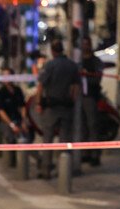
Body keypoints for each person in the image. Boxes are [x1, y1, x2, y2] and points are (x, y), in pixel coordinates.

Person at [35, 40, 79, 178]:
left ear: (52, 51)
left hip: (51, 107)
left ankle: (46, 170)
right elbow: (76, 87)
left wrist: (39, 103)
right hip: (66, 106)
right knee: (65, 140)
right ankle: (64, 171)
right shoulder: (72, 65)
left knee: (47, 139)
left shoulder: (50, 65)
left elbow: (41, 85)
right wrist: (72, 100)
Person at [79, 38, 104, 166]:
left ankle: (95, 155)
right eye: (83, 44)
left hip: (91, 97)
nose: (85, 47)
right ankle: (85, 153)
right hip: (79, 97)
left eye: (86, 44)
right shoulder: (79, 61)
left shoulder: (95, 61)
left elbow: (98, 78)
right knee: (82, 127)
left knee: (92, 126)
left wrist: (87, 75)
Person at [0, 67, 27, 144]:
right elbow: (1, 111)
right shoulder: (0, 92)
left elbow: (23, 106)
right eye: (4, 76)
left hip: (17, 118)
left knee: (26, 136)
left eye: (8, 75)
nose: (6, 78)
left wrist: (24, 121)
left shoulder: (18, 90)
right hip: (5, 121)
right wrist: (12, 125)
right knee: (10, 138)